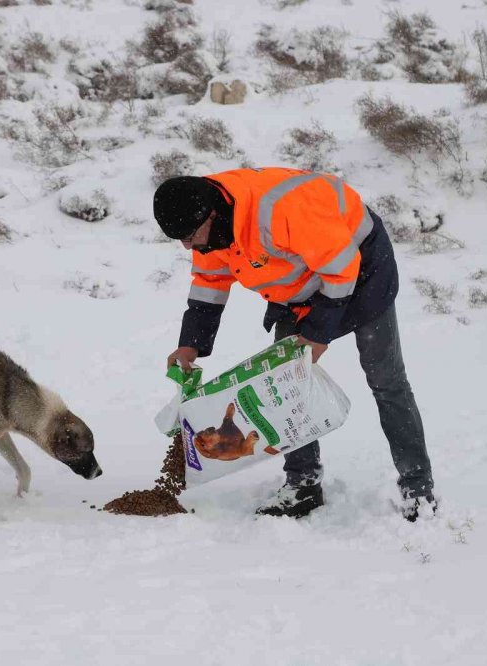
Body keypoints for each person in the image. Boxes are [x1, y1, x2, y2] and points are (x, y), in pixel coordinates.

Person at [153, 168, 436, 520]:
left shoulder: (279, 212)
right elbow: (210, 279)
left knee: (386, 380)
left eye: (189, 236)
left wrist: (317, 335)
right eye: (179, 240)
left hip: (360, 269)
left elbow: (341, 267)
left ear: (210, 214)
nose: (187, 246)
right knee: (286, 388)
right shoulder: (207, 219)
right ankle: (303, 485)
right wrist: (190, 344)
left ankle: (418, 488)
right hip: (298, 285)